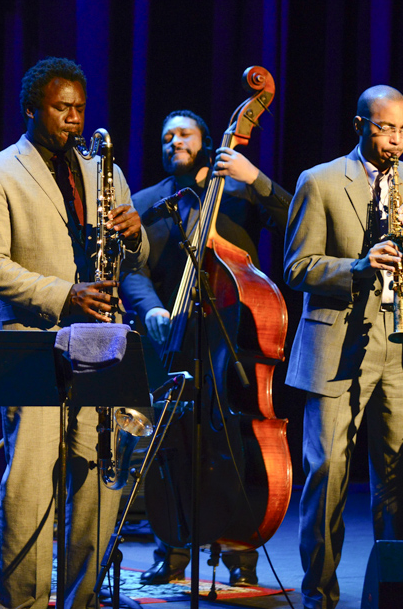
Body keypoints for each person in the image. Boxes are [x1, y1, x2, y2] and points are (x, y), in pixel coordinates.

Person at [0, 57, 148, 609]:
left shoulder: (106, 173)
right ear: (31, 109)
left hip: (99, 339)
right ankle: (20, 601)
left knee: (96, 475)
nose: (73, 118)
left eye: (80, 109)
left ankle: (81, 599)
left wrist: (135, 236)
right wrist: (62, 293)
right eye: (61, 108)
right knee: (29, 483)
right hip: (28, 340)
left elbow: (131, 262)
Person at [284, 86, 403, 609]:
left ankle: (401, 593)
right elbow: (296, 267)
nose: (395, 141)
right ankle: (319, 595)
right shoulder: (321, 180)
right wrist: (357, 267)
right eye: (384, 129)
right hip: (338, 346)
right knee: (328, 474)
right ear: (359, 125)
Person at [120, 110, 292, 586]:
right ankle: (171, 549)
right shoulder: (147, 203)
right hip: (171, 341)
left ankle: (241, 550)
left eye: (184, 134)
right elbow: (132, 270)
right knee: (168, 446)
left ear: (207, 141)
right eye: (166, 135)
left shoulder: (237, 193)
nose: (174, 140)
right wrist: (151, 308)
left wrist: (255, 178)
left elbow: (294, 220)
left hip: (231, 343)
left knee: (234, 445)